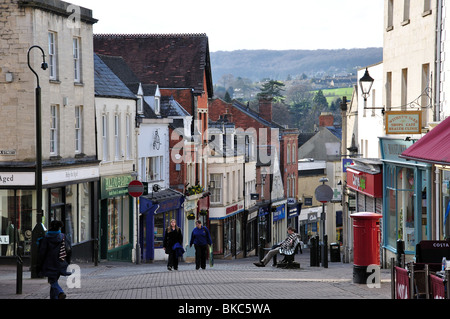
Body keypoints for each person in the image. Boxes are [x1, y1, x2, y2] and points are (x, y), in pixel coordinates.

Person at [37, 220, 72, 299]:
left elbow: (42, 253)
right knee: (54, 280)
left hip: (49, 264)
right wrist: (67, 262)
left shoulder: (46, 238)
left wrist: (39, 265)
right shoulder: (63, 236)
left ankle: (60, 292)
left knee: (53, 281)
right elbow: (69, 250)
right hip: (61, 263)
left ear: (50, 227)